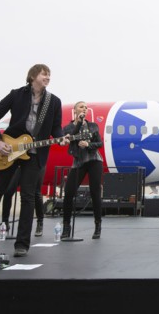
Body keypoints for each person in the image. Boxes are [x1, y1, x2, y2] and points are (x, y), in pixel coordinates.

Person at [0, 64, 66, 257]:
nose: (48, 77)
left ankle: (22, 244)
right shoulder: (16, 95)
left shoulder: (54, 101)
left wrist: (63, 137)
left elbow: (55, 129)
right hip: (8, 150)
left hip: (33, 154)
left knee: (28, 197)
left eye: (49, 75)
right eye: (44, 74)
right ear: (33, 76)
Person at [61, 101, 104, 239]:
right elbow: (71, 137)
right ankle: (66, 226)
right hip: (78, 162)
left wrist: (88, 144)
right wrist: (79, 122)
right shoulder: (68, 128)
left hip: (94, 160)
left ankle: (98, 225)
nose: (84, 109)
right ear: (75, 110)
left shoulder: (93, 126)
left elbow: (100, 143)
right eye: (81, 107)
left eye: (86, 108)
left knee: (95, 192)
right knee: (68, 193)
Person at [0, 168, 46, 237]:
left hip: (37, 163)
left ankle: (40, 222)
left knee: (36, 192)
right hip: (20, 164)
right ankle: (5, 223)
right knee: (8, 191)